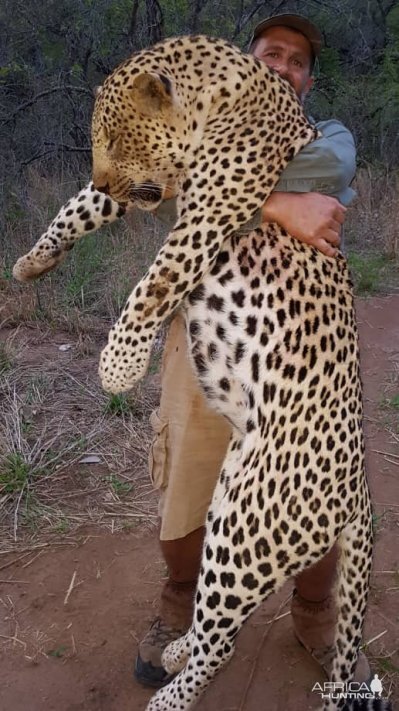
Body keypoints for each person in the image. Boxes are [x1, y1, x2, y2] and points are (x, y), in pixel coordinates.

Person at [131, 14, 370, 687]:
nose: (284, 66)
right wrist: (281, 208)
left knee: (318, 487)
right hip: (208, 342)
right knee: (188, 484)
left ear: (308, 79)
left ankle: (315, 610)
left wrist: (212, 175)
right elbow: (147, 175)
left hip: (307, 347)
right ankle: (179, 604)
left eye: (297, 60)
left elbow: (328, 168)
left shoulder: (330, 135)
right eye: (271, 52)